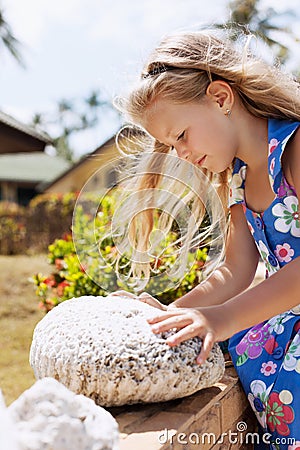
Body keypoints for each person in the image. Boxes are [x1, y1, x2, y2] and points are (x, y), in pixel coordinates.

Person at [114, 30, 300, 446]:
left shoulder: (295, 149)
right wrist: (171, 314)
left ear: (220, 98)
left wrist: (223, 318)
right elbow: (235, 269)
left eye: (181, 136)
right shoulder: (236, 178)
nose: (180, 153)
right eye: (169, 145)